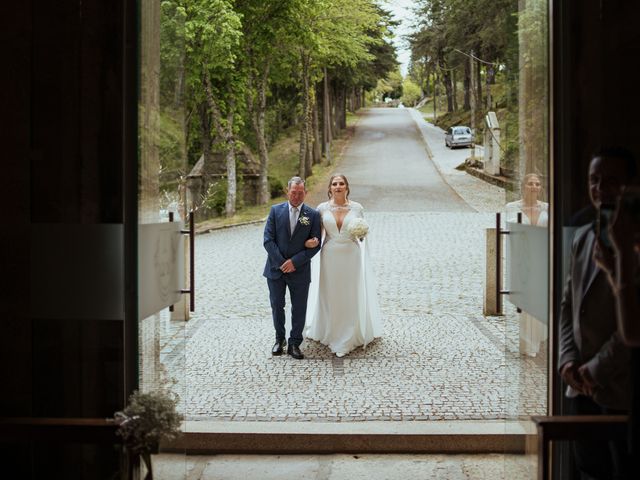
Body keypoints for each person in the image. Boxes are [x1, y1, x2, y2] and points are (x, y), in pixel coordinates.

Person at [559, 151, 633, 479]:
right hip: (579, 383)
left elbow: (634, 324)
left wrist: (597, 368)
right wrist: (567, 360)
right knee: (587, 469)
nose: (600, 188)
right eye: (594, 180)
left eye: (611, 181)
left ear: (630, 187)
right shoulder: (582, 235)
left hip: (621, 387)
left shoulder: (634, 243)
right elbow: (567, 305)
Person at [304, 174, 382, 357]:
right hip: (329, 254)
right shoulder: (322, 208)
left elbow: (362, 235)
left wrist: (361, 233)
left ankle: (350, 333)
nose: (338, 186)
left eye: (341, 183)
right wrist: (312, 242)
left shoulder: (357, 207)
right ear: (330, 188)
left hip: (351, 255)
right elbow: (319, 233)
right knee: (330, 294)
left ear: (347, 187)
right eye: (334, 184)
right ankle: (331, 330)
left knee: (350, 293)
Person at [263, 177, 321, 360]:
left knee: (299, 307)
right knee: (277, 305)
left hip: (300, 270)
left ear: (305, 192)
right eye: (293, 192)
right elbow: (268, 240)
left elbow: (316, 244)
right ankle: (279, 339)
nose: (296, 196)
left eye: (300, 193)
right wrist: (282, 263)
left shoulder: (312, 215)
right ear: (287, 191)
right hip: (275, 269)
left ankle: (295, 342)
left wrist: (294, 262)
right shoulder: (275, 211)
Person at [505, 173, 549, 356]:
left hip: (542, 259)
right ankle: (526, 345)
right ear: (523, 186)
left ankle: (539, 341)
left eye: (537, 184)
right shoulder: (511, 207)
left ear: (540, 188)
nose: (534, 186)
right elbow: (508, 232)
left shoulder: (548, 208)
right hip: (522, 259)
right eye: (530, 183)